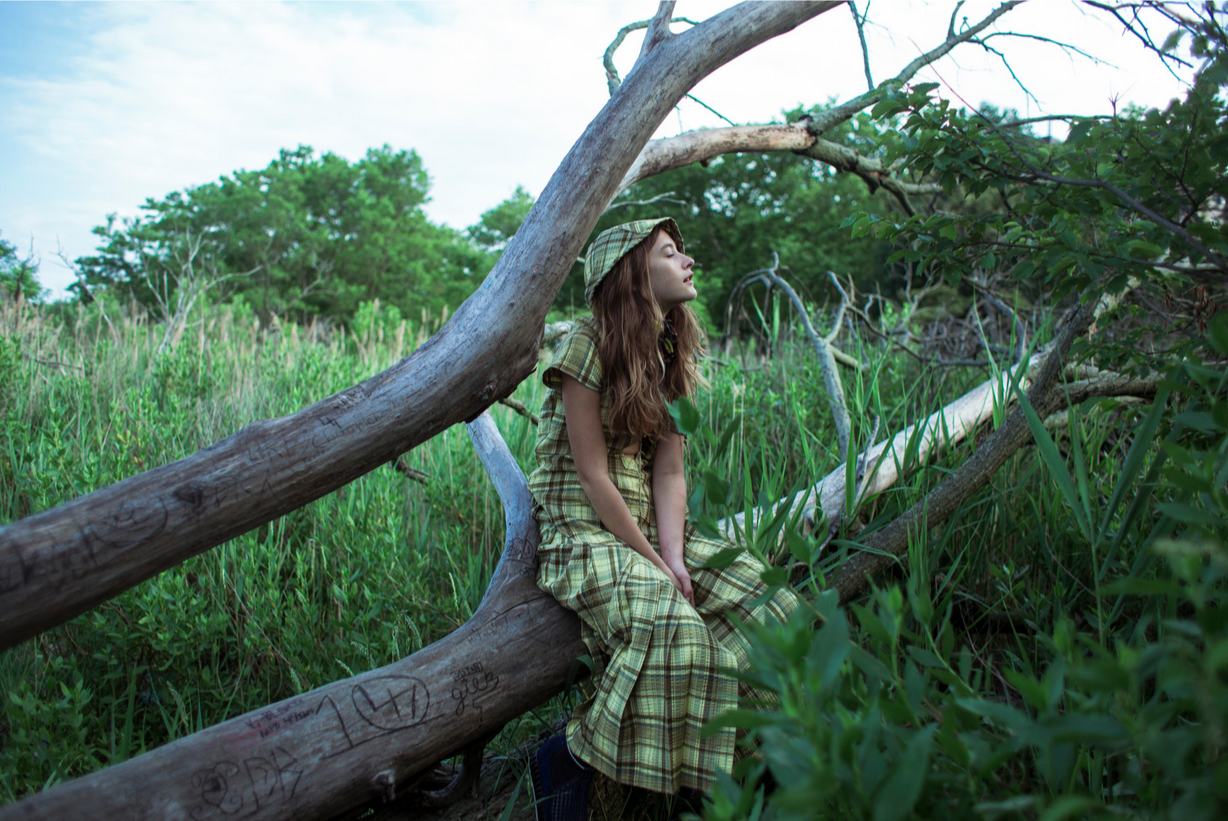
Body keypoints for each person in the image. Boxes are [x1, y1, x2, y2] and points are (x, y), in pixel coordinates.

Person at [526, 218, 799, 820]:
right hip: (583, 532)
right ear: (630, 272)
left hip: (649, 529)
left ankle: (760, 772)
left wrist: (673, 555)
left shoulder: (669, 349)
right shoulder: (584, 345)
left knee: (769, 606)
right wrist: (655, 567)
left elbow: (671, 472)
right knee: (676, 627)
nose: (689, 261)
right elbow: (595, 477)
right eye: (671, 253)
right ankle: (567, 760)